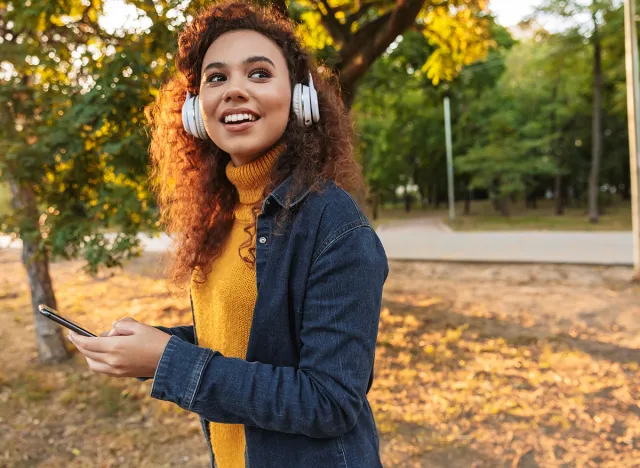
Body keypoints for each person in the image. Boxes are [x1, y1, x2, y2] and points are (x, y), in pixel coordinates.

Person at [67, 2, 389, 467]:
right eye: (216, 78)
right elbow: (245, 337)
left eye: (259, 73)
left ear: (300, 98)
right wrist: (152, 344)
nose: (235, 90)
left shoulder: (335, 226)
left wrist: (168, 363)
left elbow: (330, 401)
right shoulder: (222, 213)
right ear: (197, 110)